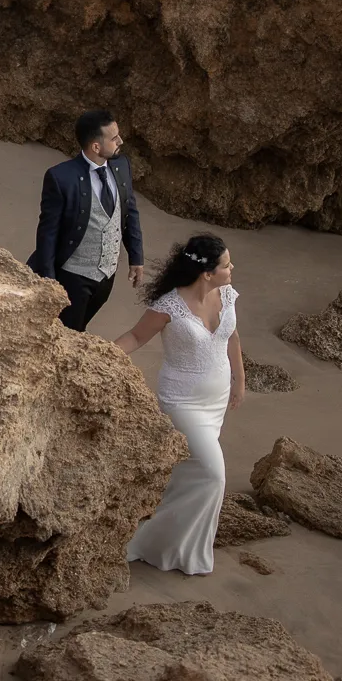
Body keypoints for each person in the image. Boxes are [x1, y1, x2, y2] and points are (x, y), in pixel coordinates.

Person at [113, 234, 245, 575]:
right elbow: (136, 337)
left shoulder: (227, 295)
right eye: (226, 264)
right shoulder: (169, 305)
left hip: (215, 402)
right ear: (206, 273)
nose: (232, 269)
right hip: (182, 402)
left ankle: (175, 546)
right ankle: (148, 544)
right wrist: (99, 354)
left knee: (190, 476)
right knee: (213, 476)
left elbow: (232, 336)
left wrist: (240, 380)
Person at [29, 109, 144, 331]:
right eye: (114, 138)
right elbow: (47, 233)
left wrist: (136, 257)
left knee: (80, 328)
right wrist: (49, 281)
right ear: (95, 147)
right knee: (67, 332)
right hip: (73, 276)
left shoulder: (122, 165)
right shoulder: (61, 177)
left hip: (106, 276)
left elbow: (130, 211)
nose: (120, 141)